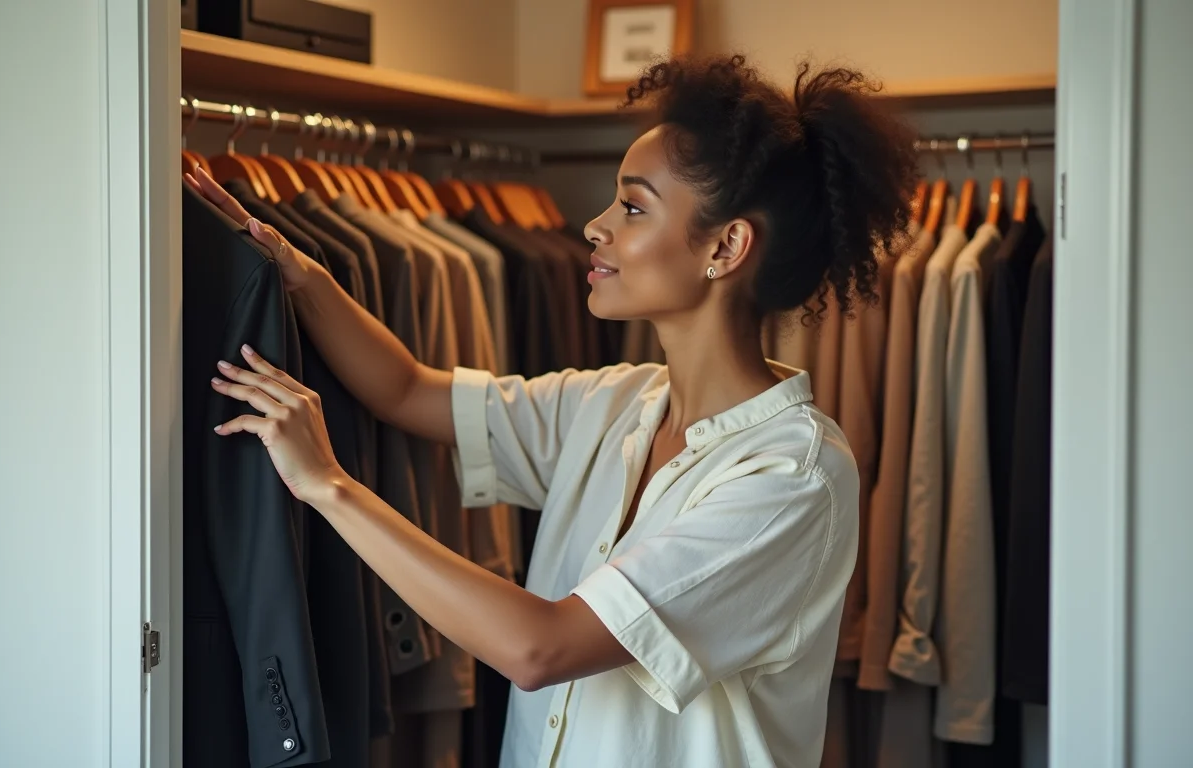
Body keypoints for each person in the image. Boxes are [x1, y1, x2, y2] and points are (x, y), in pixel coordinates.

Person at [187, 53, 917, 768]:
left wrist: (328, 486)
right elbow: (407, 390)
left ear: (726, 246)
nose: (595, 226)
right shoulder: (615, 403)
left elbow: (541, 648)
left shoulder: (790, 477)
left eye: (633, 207)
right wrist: (295, 272)